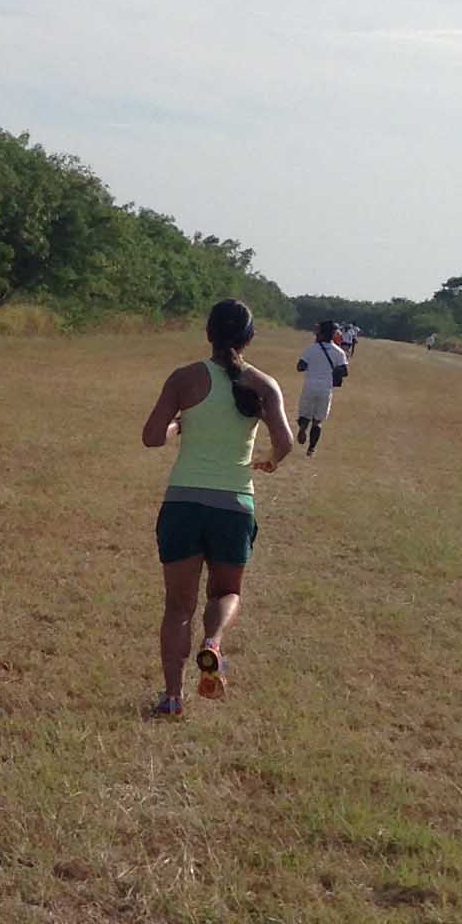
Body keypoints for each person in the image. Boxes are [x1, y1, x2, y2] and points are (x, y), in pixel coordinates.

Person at [141, 298, 295, 714]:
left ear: (207, 333)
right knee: (226, 591)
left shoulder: (183, 379)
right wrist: (268, 461)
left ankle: (172, 697)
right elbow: (285, 443)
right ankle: (213, 643)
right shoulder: (263, 385)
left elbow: (152, 437)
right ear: (249, 337)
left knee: (178, 607)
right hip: (234, 505)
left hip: (183, 504)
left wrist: (177, 425)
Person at [295, 318, 349, 453]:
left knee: (304, 415)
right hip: (325, 389)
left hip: (309, 386)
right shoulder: (339, 352)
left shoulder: (311, 349)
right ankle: (311, 448)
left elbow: (300, 367)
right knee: (317, 421)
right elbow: (345, 372)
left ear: (321, 333)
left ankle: (302, 429)